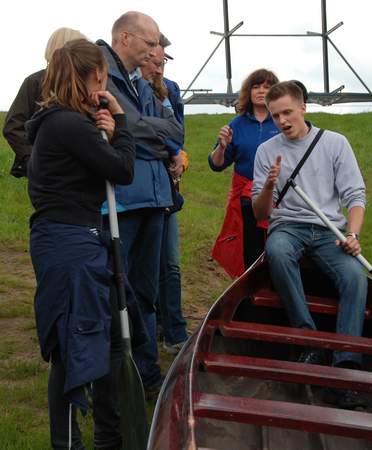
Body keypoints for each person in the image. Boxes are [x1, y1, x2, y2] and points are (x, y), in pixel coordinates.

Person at [27, 39, 139, 449]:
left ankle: (110, 438)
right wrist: (121, 123)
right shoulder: (66, 125)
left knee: (105, 339)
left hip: (79, 239)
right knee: (75, 347)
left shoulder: (66, 121)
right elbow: (123, 170)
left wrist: (106, 129)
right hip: (70, 245)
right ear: (95, 76)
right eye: (105, 75)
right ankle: (69, 443)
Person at [252, 81, 368, 410]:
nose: (282, 120)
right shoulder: (266, 152)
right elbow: (261, 214)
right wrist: (269, 186)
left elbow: (355, 196)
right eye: (275, 116)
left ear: (304, 107)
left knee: (355, 276)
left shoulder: (335, 143)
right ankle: (308, 339)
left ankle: (345, 366)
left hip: (328, 227)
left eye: (288, 112)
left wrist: (353, 235)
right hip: (287, 226)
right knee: (276, 250)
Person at [97, 11, 184, 395]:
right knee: (120, 291)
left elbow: (175, 133)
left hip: (155, 197)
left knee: (146, 293)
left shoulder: (145, 83)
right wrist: (144, 134)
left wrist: (138, 132)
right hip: (123, 200)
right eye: (150, 44)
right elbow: (123, 131)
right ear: (125, 38)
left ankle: (147, 374)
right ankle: (116, 374)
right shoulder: (100, 72)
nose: (156, 51)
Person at [208, 69, 280, 278]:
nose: (261, 91)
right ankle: (250, 297)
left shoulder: (281, 121)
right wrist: (222, 147)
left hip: (280, 199)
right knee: (250, 253)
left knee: (277, 251)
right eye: (256, 86)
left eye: (267, 87)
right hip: (245, 201)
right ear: (248, 92)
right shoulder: (236, 124)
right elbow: (216, 164)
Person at [141, 39, 189, 354]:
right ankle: (152, 328)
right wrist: (171, 148)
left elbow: (177, 133)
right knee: (144, 264)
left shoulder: (169, 88)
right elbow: (139, 130)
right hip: (141, 185)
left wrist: (176, 152)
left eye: (162, 63)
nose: (158, 69)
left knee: (169, 262)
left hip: (166, 186)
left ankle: (174, 330)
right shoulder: (125, 88)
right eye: (154, 62)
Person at [3, 27, 87, 178]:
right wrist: (33, 160)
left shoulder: (83, 85)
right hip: (44, 176)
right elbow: (13, 126)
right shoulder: (34, 82)